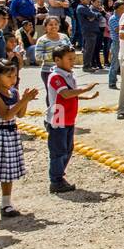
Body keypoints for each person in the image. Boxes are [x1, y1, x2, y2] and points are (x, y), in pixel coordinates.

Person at [0, 60, 38, 219]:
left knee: (8, 171)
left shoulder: (13, 92)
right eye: (9, 76)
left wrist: (25, 101)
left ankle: (6, 203)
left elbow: (20, 114)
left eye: (15, 76)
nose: (13, 79)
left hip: (10, 135)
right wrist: (23, 100)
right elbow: (6, 115)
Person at [44, 46, 97, 193]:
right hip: (57, 119)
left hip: (68, 118)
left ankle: (59, 177)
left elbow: (71, 94)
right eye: (69, 59)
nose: (72, 62)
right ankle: (56, 180)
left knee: (67, 149)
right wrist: (86, 89)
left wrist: (86, 96)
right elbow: (66, 94)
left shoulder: (69, 75)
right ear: (57, 60)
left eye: (73, 59)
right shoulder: (55, 76)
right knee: (58, 151)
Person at [33, 16, 71, 85]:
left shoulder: (64, 37)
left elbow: (70, 50)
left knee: (65, 94)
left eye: (56, 24)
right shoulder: (42, 40)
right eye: (50, 25)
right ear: (45, 27)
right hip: (48, 71)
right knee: (51, 95)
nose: (54, 26)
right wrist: (54, 54)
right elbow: (38, 57)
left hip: (64, 71)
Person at [77, 0, 102, 72]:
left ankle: (89, 65)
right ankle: (86, 66)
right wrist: (96, 14)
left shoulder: (86, 7)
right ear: (81, 0)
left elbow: (93, 15)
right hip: (88, 30)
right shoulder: (81, 8)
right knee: (88, 49)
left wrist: (94, 15)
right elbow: (93, 15)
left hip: (92, 30)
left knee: (90, 49)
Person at [108, 0, 124, 89]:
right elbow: (117, 30)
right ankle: (112, 82)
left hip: (123, 42)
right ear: (118, 9)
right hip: (116, 43)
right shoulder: (113, 18)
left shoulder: (122, 18)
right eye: (123, 8)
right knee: (115, 63)